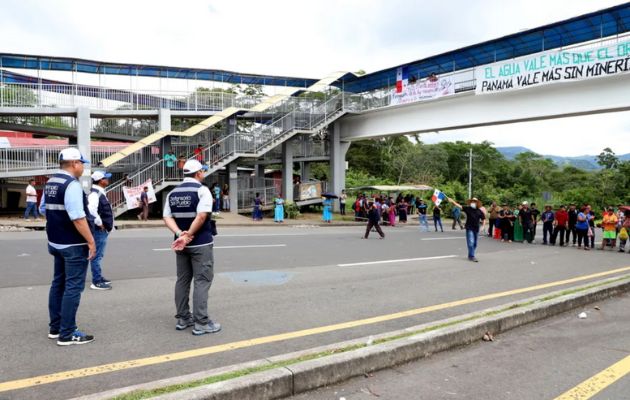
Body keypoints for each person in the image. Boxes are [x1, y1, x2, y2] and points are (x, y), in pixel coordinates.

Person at [44, 148, 96, 345]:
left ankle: (55, 327)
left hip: (56, 242)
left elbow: (43, 209)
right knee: (73, 288)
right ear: (74, 163)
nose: (82, 167)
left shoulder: (51, 182)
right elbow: (78, 218)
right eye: (82, 163)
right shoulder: (71, 185)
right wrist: (91, 241)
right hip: (73, 244)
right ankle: (67, 333)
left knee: (58, 284)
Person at [163, 159, 221, 336]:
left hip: (180, 244)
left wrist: (180, 234)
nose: (204, 173)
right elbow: (202, 216)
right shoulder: (202, 190)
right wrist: (188, 235)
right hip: (200, 243)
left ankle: (183, 318)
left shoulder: (173, 193)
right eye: (203, 171)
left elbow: (167, 217)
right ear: (198, 174)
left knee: (182, 280)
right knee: (202, 281)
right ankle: (201, 322)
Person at [87, 171, 114, 290]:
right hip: (99, 230)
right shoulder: (95, 194)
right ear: (100, 180)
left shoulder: (98, 192)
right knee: (96, 256)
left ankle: (99, 277)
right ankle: (96, 281)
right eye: (105, 178)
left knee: (99, 255)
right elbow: (91, 210)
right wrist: (100, 223)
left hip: (102, 229)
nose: (107, 180)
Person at [448, 197, 485, 262]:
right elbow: (459, 206)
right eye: (472, 201)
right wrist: (452, 201)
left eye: (474, 201)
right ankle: (472, 256)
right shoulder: (468, 209)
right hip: (469, 227)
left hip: (476, 228)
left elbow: (483, 219)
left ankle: (470, 254)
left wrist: (483, 226)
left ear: (477, 203)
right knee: (471, 242)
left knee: (475, 244)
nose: (473, 202)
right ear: (471, 202)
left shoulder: (479, 211)